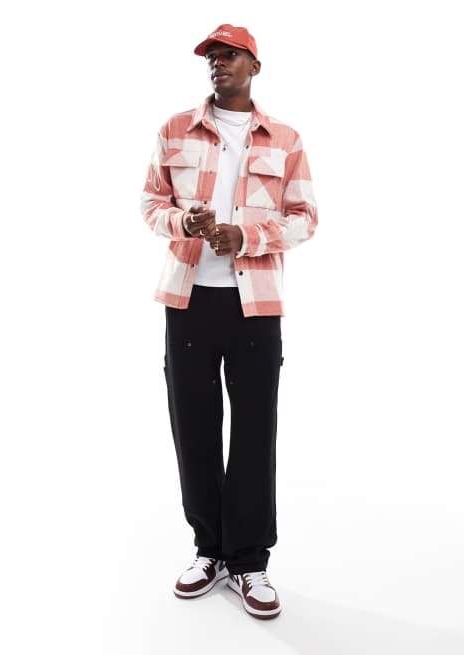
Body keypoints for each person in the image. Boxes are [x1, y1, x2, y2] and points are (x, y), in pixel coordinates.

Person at [141, 23, 317, 620]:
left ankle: (249, 560)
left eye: (231, 55)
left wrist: (246, 236)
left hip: (255, 306)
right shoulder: (175, 129)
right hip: (188, 299)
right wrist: (182, 223)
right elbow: (151, 203)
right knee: (193, 427)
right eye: (212, 57)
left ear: (254, 66)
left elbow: (305, 218)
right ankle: (209, 550)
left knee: (253, 431)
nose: (219, 64)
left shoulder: (286, 139)